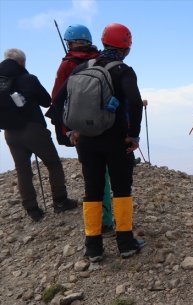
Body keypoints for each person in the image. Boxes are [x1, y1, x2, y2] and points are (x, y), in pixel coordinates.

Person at [53, 23, 144, 261]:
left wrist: (71, 129)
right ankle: (125, 243)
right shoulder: (123, 70)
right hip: (116, 139)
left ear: (103, 42)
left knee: (91, 190)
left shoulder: (81, 68)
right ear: (126, 45)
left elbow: (59, 100)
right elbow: (134, 103)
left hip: (86, 141)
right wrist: (133, 135)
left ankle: (93, 247)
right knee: (121, 189)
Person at [48, 24, 115, 237]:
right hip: (106, 123)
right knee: (105, 172)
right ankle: (108, 216)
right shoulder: (102, 59)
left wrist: (67, 130)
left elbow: (57, 98)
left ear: (72, 43)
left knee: (92, 175)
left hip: (81, 127)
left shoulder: (68, 65)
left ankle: (97, 225)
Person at [0, 48, 78, 222]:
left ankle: (32, 210)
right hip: (33, 129)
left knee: (23, 171)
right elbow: (46, 101)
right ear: (21, 62)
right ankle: (60, 201)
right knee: (53, 164)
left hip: (9, 132)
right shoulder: (28, 79)